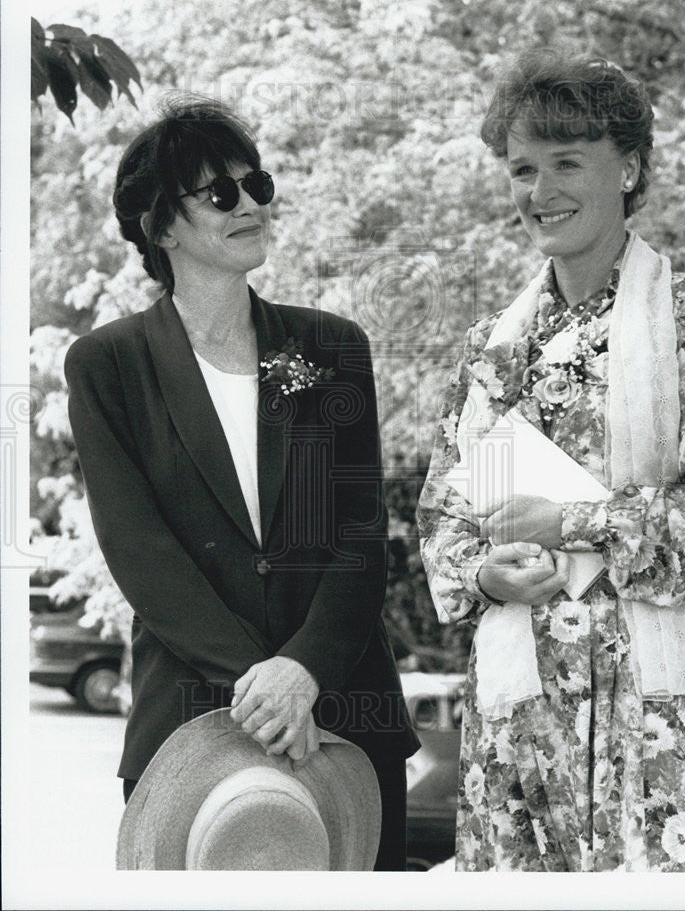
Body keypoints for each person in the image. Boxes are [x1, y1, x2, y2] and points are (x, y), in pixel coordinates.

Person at [416, 52, 685, 871]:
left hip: (654, 711)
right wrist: (483, 573)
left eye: (567, 162)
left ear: (630, 166)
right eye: (523, 169)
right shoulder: (492, 351)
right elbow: (446, 517)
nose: (540, 193)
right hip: (517, 709)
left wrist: (566, 522)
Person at [64, 98, 419, 871]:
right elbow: (141, 552)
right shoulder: (106, 365)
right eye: (221, 194)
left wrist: (306, 671)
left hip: (345, 712)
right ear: (162, 228)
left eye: (256, 183)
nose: (252, 204)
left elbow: (362, 535)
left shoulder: (332, 347)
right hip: (191, 721)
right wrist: (263, 689)